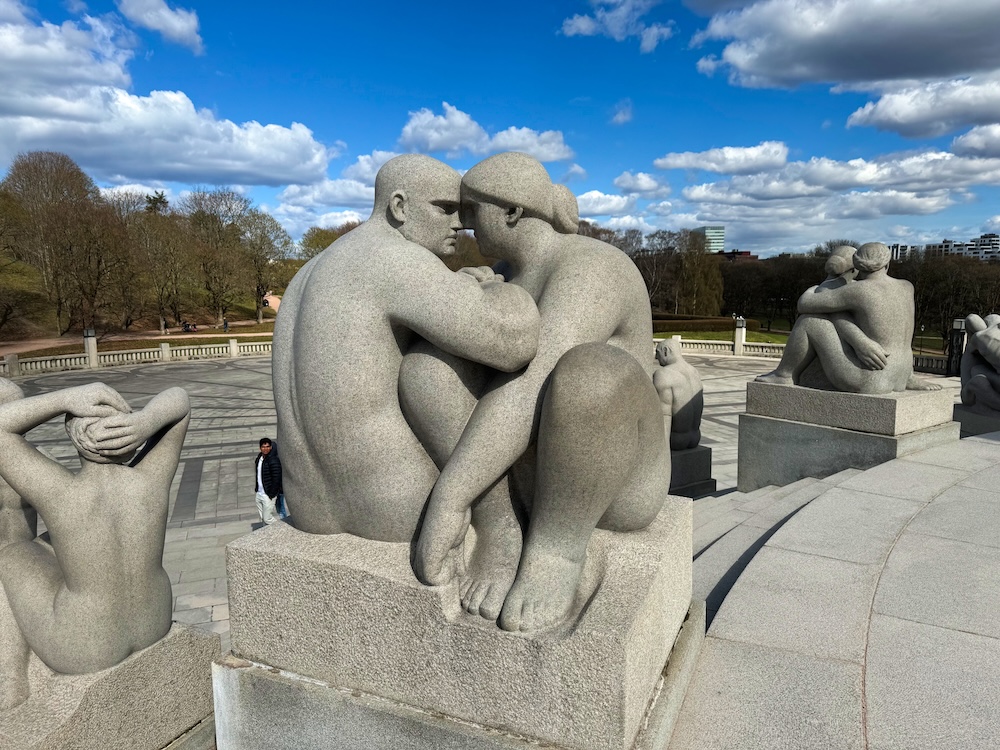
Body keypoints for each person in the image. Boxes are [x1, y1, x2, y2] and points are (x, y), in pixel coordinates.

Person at [403, 152, 669, 633]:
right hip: (529, 473)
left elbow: (531, 382)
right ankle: (502, 527)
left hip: (605, 481)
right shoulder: (506, 270)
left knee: (589, 373)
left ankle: (556, 551)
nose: (463, 224)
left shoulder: (592, 266)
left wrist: (450, 498)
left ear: (510, 212)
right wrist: (474, 296)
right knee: (428, 367)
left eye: (471, 210)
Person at [271, 154, 541, 540]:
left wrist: (456, 287)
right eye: (445, 209)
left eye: (463, 213)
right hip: (394, 503)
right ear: (399, 207)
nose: (459, 225)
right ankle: (502, 531)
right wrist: (502, 291)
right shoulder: (395, 258)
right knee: (441, 363)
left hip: (308, 505)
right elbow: (513, 343)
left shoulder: (309, 272)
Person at [0, 382, 189, 708]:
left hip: (85, 647)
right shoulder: (152, 478)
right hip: (155, 618)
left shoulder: (61, 492)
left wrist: (64, 398)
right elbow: (180, 401)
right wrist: (144, 422)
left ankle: (11, 679)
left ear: (78, 438)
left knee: (12, 551)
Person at [756, 242, 939, 393]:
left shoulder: (857, 291)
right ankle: (910, 377)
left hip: (869, 378)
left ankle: (784, 375)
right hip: (901, 374)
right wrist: (858, 340)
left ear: (857, 266)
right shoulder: (907, 287)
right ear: (887, 265)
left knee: (809, 321)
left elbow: (805, 304)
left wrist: (823, 283)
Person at [653, 339, 704, 451]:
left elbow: (664, 415)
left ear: (666, 351)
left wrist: (662, 453)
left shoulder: (663, 374)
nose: (656, 358)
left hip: (675, 440)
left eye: (657, 353)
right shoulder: (694, 371)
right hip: (695, 437)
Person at [254, 437, 282, 525]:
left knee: (267, 519)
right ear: (260, 448)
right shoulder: (259, 458)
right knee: (263, 518)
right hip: (259, 493)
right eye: (263, 447)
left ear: (270, 447)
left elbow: (277, 478)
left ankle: (281, 530)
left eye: (267, 446)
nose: (265, 449)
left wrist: (271, 494)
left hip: (268, 494)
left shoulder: (273, 460)